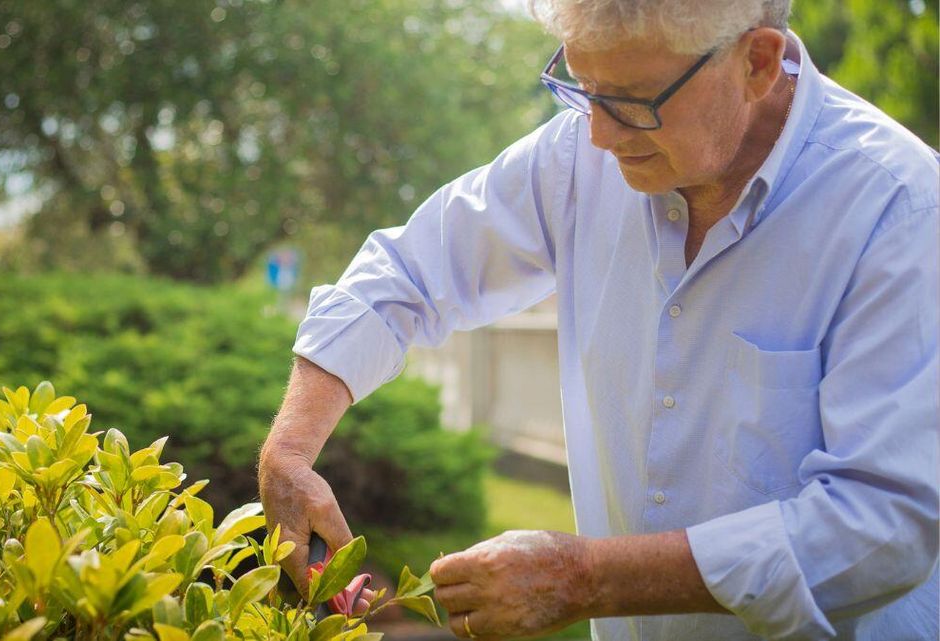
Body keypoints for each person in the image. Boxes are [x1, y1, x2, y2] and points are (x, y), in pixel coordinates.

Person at [257, 0, 940, 638]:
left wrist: (588, 577)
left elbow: (883, 525)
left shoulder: (899, 208)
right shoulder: (576, 152)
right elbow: (407, 271)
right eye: (581, 86)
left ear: (757, 62)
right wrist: (289, 450)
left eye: (633, 102)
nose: (599, 134)